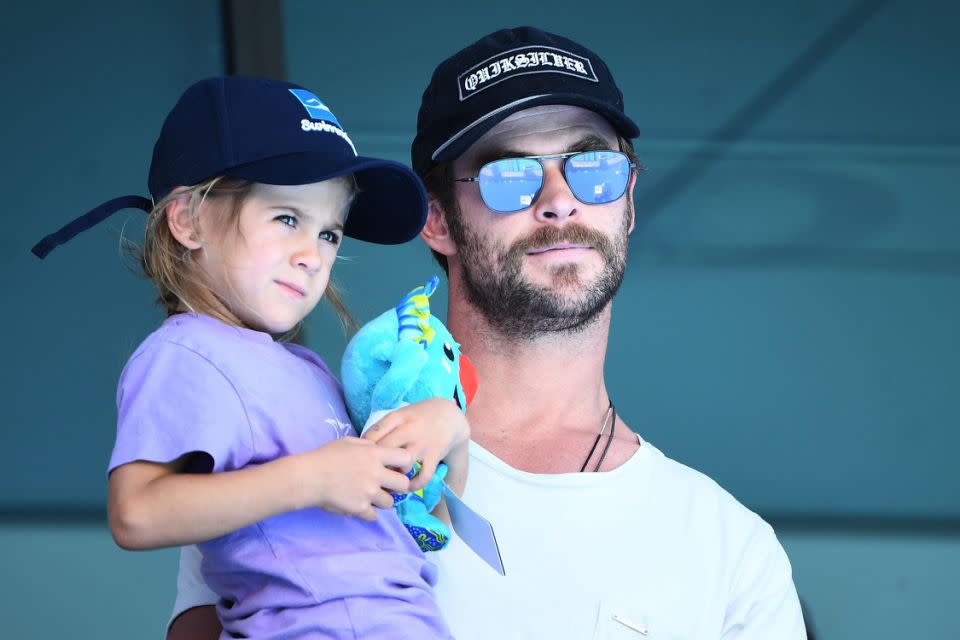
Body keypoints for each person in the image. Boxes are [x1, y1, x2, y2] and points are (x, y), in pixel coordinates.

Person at [169, 28, 808, 639]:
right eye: (510, 175)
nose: (559, 200)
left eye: (593, 166)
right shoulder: (297, 451)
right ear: (437, 220)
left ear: (630, 200)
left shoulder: (731, 552)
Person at [35, 75, 470, 639]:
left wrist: (450, 436)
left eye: (331, 234)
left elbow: (427, 534)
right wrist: (312, 478)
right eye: (287, 218)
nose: (312, 256)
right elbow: (136, 513)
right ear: (188, 220)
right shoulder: (184, 351)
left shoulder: (309, 372)